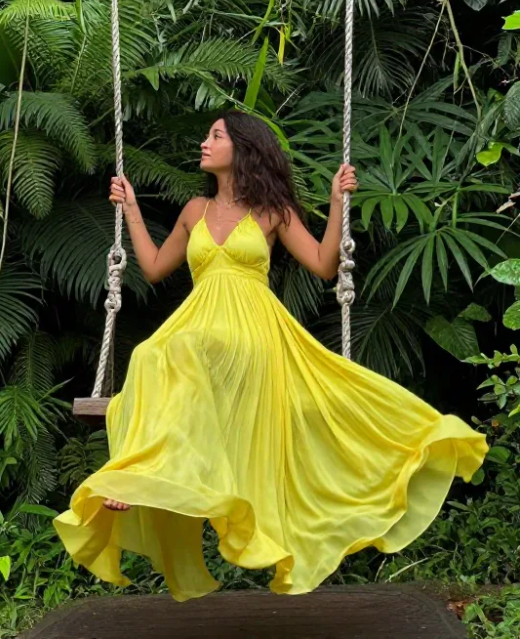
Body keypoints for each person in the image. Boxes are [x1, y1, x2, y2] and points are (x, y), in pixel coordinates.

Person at [53, 110, 488, 602]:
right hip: (197, 328)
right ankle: (135, 477)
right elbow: (153, 268)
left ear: (242, 147)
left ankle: (143, 475)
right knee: (153, 355)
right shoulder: (194, 211)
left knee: (171, 354)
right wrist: (129, 208)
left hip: (255, 333)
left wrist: (336, 203)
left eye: (215, 135)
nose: (204, 142)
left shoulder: (271, 212)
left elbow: (325, 266)